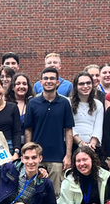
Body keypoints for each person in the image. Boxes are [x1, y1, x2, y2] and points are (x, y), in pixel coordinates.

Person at [24, 67, 74, 195]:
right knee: (34, 193)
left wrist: (68, 156)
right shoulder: (33, 103)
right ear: (40, 82)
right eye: (45, 78)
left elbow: (68, 130)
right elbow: (28, 129)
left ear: (58, 82)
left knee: (55, 194)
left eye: (52, 78)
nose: (49, 81)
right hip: (36, 157)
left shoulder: (64, 103)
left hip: (57, 157)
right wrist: (28, 153)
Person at [69, 71, 104, 154]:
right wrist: (81, 143)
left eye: (88, 83)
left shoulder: (98, 104)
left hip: (92, 146)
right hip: (73, 145)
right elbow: (68, 127)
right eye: (81, 84)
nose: (85, 86)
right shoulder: (68, 103)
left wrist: (92, 145)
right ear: (76, 87)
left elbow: (98, 127)